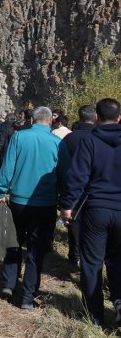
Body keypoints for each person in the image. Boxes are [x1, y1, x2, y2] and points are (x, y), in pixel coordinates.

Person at [0, 107, 70, 310]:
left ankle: (9, 285)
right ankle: (27, 297)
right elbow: (64, 176)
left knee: (14, 242)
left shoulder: (19, 137)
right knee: (36, 251)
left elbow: (7, 166)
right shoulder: (58, 143)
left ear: (33, 119)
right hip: (45, 204)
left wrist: (1, 193)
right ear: (50, 121)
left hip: (19, 201)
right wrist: (65, 203)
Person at [60, 98, 121, 326]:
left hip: (96, 209)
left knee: (92, 262)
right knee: (117, 260)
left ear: (96, 116)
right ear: (120, 117)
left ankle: (94, 316)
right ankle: (119, 302)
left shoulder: (89, 141)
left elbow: (77, 177)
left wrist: (67, 206)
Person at [61, 105, 96, 267]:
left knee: (74, 222)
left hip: (74, 187)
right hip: (97, 188)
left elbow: (61, 164)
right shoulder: (99, 136)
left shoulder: (70, 138)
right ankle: (89, 257)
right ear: (95, 117)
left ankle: (74, 254)